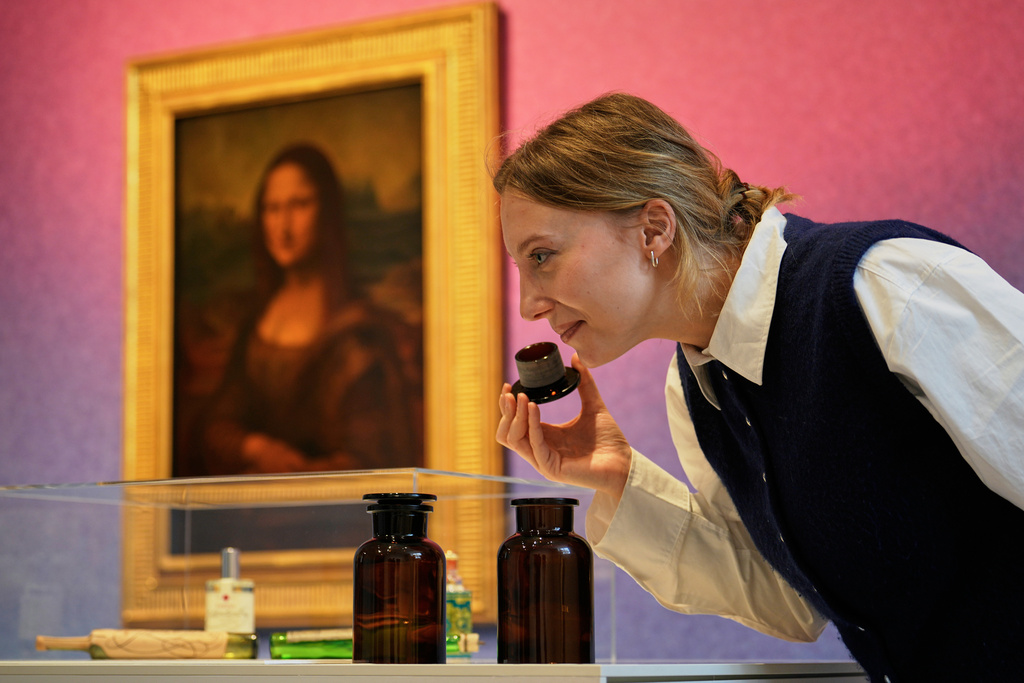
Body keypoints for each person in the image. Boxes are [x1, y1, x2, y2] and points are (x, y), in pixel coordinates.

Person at [494, 93, 1024, 681]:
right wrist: (618, 476)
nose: (529, 304)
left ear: (654, 228)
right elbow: (789, 602)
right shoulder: (697, 384)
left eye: (542, 255)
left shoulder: (882, 283)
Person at [199, 143, 421, 475]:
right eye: (271, 208)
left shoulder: (359, 333)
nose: (283, 226)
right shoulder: (255, 320)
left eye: (299, 205)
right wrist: (256, 448)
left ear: (327, 211)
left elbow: (373, 457)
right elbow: (218, 422)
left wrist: (296, 473)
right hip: (251, 514)